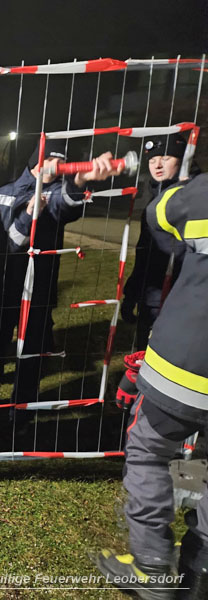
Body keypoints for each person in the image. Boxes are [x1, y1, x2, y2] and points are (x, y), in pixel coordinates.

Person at [95, 174, 208, 600]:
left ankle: (153, 568)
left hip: (186, 364)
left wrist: (180, 182)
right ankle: (200, 569)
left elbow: (158, 214)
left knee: (148, 452)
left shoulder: (201, 195)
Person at [0, 140, 121, 405]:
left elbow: (67, 204)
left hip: (40, 288)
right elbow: (1, 239)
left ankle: (23, 406)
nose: (55, 166)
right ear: (35, 161)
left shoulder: (55, 193)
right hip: (2, 286)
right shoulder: (4, 192)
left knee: (32, 351)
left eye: (61, 161)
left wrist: (79, 181)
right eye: (50, 159)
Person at [121, 134, 195, 350]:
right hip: (151, 300)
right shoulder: (154, 202)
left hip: (184, 301)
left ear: (183, 159)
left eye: (166, 158)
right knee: (143, 357)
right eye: (152, 160)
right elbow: (145, 254)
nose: (157, 165)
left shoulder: (196, 197)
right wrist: (132, 294)